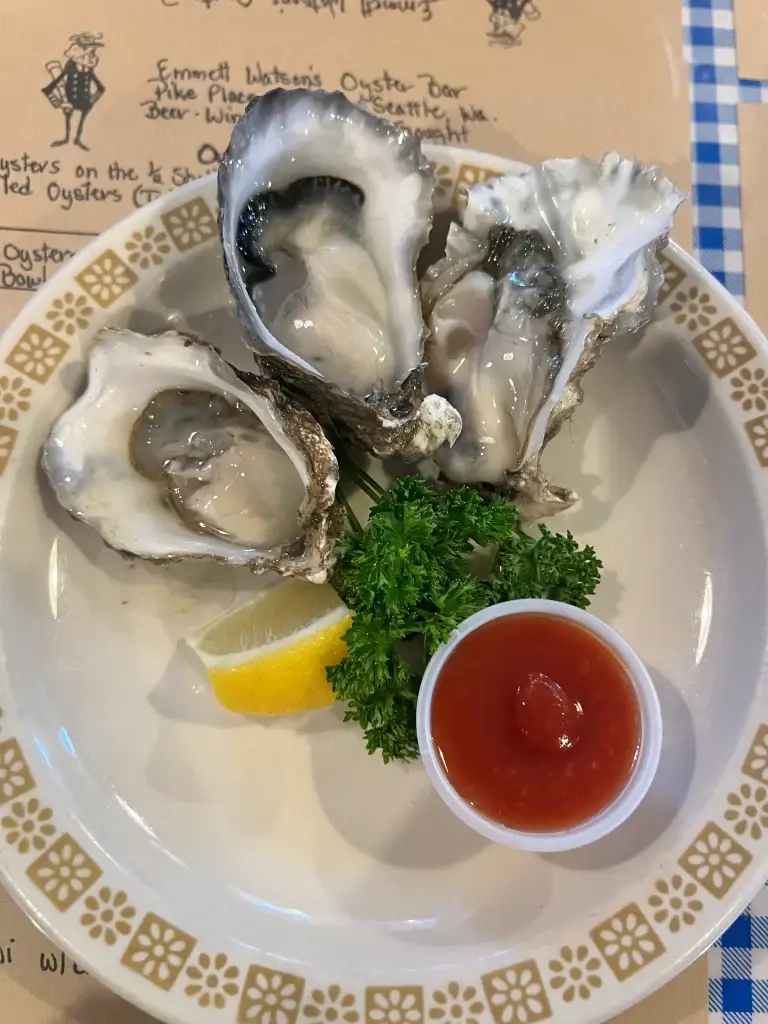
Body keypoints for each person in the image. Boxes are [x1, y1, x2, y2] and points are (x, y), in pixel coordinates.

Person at [42, 32, 106, 151]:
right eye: (88, 49)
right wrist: (59, 103)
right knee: (69, 117)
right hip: (70, 100)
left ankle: (77, 139)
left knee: (81, 119)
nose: (91, 53)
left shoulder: (89, 68)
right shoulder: (71, 65)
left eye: (92, 50)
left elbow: (101, 88)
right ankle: (66, 138)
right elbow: (50, 87)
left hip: (85, 101)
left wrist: (92, 100)